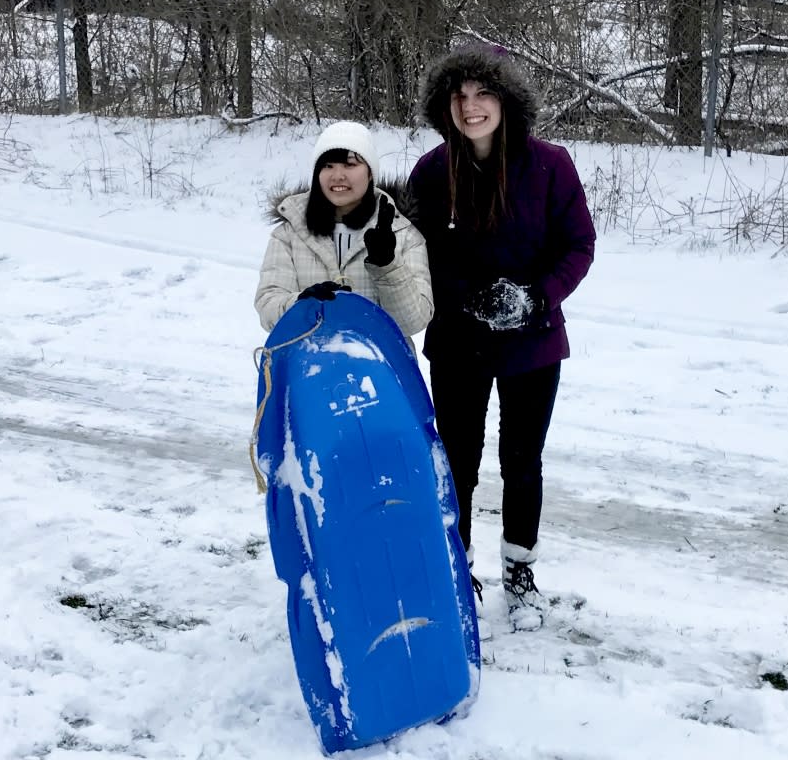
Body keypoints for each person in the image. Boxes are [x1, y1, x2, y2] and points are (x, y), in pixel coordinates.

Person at [407, 45, 596, 632]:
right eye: (459, 96)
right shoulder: (432, 171)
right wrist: (466, 296)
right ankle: (456, 572)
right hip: (458, 342)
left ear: (506, 101)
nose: (471, 106)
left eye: (483, 94)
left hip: (532, 342)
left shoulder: (551, 165)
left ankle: (519, 573)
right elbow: (417, 254)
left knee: (522, 460)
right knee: (456, 461)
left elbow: (579, 244)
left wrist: (537, 296)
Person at [255, 121, 433, 341]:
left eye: (350, 164)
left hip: (379, 368)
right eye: (328, 165)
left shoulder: (403, 232)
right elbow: (267, 307)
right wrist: (302, 304)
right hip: (308, 366)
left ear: (370, 173)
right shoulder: (289, 233)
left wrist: (388, 266)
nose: (337, 175)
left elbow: (414, 321)